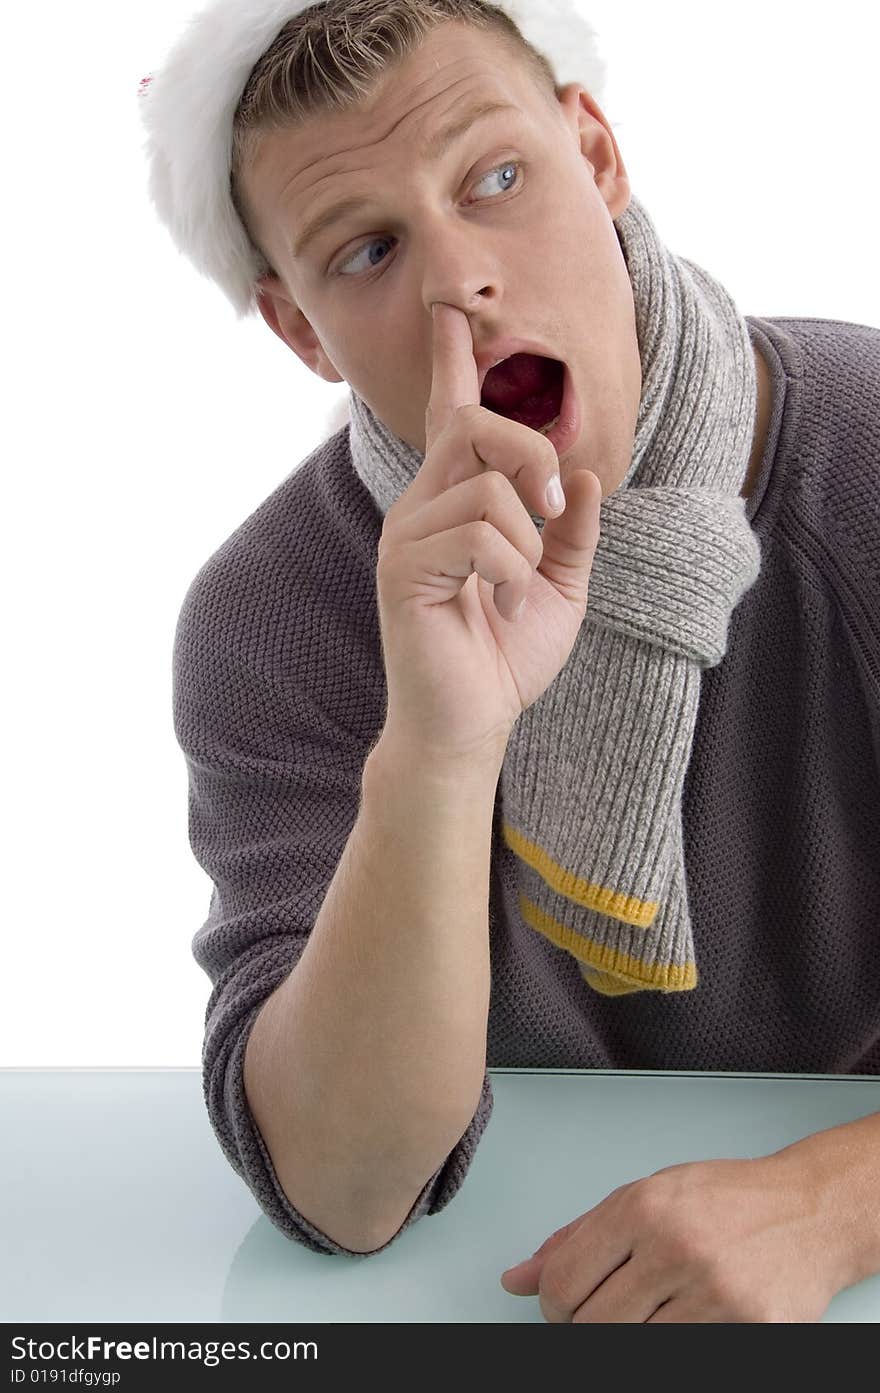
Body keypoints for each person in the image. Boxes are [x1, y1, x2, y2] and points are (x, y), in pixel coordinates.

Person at [139, 0, 880, 1320]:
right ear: (301, 330)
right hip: (495, 1288)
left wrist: (831, 1202)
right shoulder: (270, 619)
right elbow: (339, 1186)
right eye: (366, 249)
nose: (458, 282)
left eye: (496, 178)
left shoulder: (870, 456)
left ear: (594, 155)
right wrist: (438, 741)